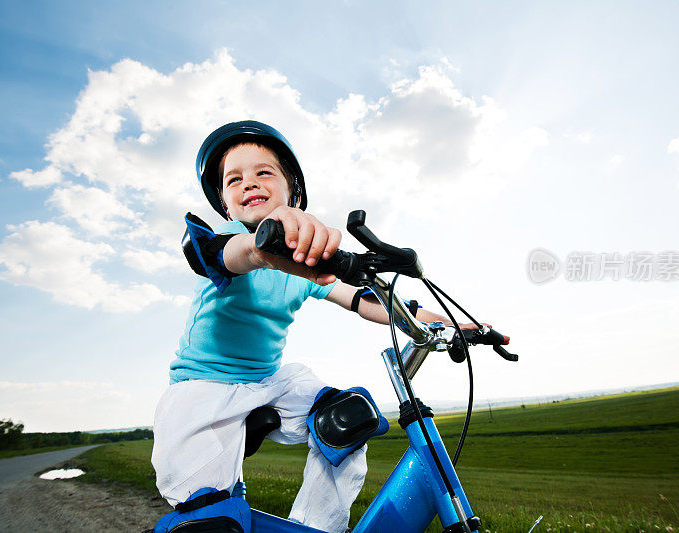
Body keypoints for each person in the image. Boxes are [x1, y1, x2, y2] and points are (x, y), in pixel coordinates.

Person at [152, 120, 475, 533]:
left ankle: (320, 527)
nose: (249, 183)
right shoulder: (232, 238)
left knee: (346, 419)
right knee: (209, 520)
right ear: (227, 206)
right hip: (202, 390)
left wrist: (454, 324)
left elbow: (366, 300)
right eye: (234, 180)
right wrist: (260, 248)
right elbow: (219, 254)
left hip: (269, 382)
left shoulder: (305, 269)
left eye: (263, 172)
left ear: (295, 195)